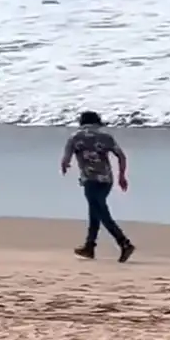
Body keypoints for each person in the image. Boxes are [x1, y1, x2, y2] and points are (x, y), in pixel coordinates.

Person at [60, 111, 135, 262]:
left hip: (90, 179)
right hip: (107, 180)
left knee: (101, 212)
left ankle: (124, 242)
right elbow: (121, 156)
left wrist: (66, 164)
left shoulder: (75, 137)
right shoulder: (105, 137)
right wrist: (122, 176)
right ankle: (89, 247)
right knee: (95, 211)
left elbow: (65, 159)